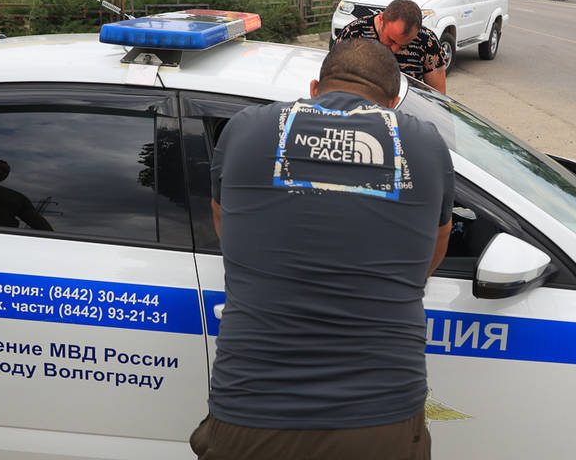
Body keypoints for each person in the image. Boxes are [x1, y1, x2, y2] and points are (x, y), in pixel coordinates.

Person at [191, 39, 454, 460]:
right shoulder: (424, 144)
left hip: (250, 413)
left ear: (315, 88)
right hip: (380, 418)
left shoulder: (245, 129)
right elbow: (435, 245)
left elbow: (223, 220)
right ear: (391, 103)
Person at [335, 0, 448, 94]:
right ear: (381, 19)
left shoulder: (427, 41)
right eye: (391, 40)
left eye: (404, 45)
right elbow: (334, 81)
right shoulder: (353, 34)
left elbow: (438, 96)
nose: (394, 49)